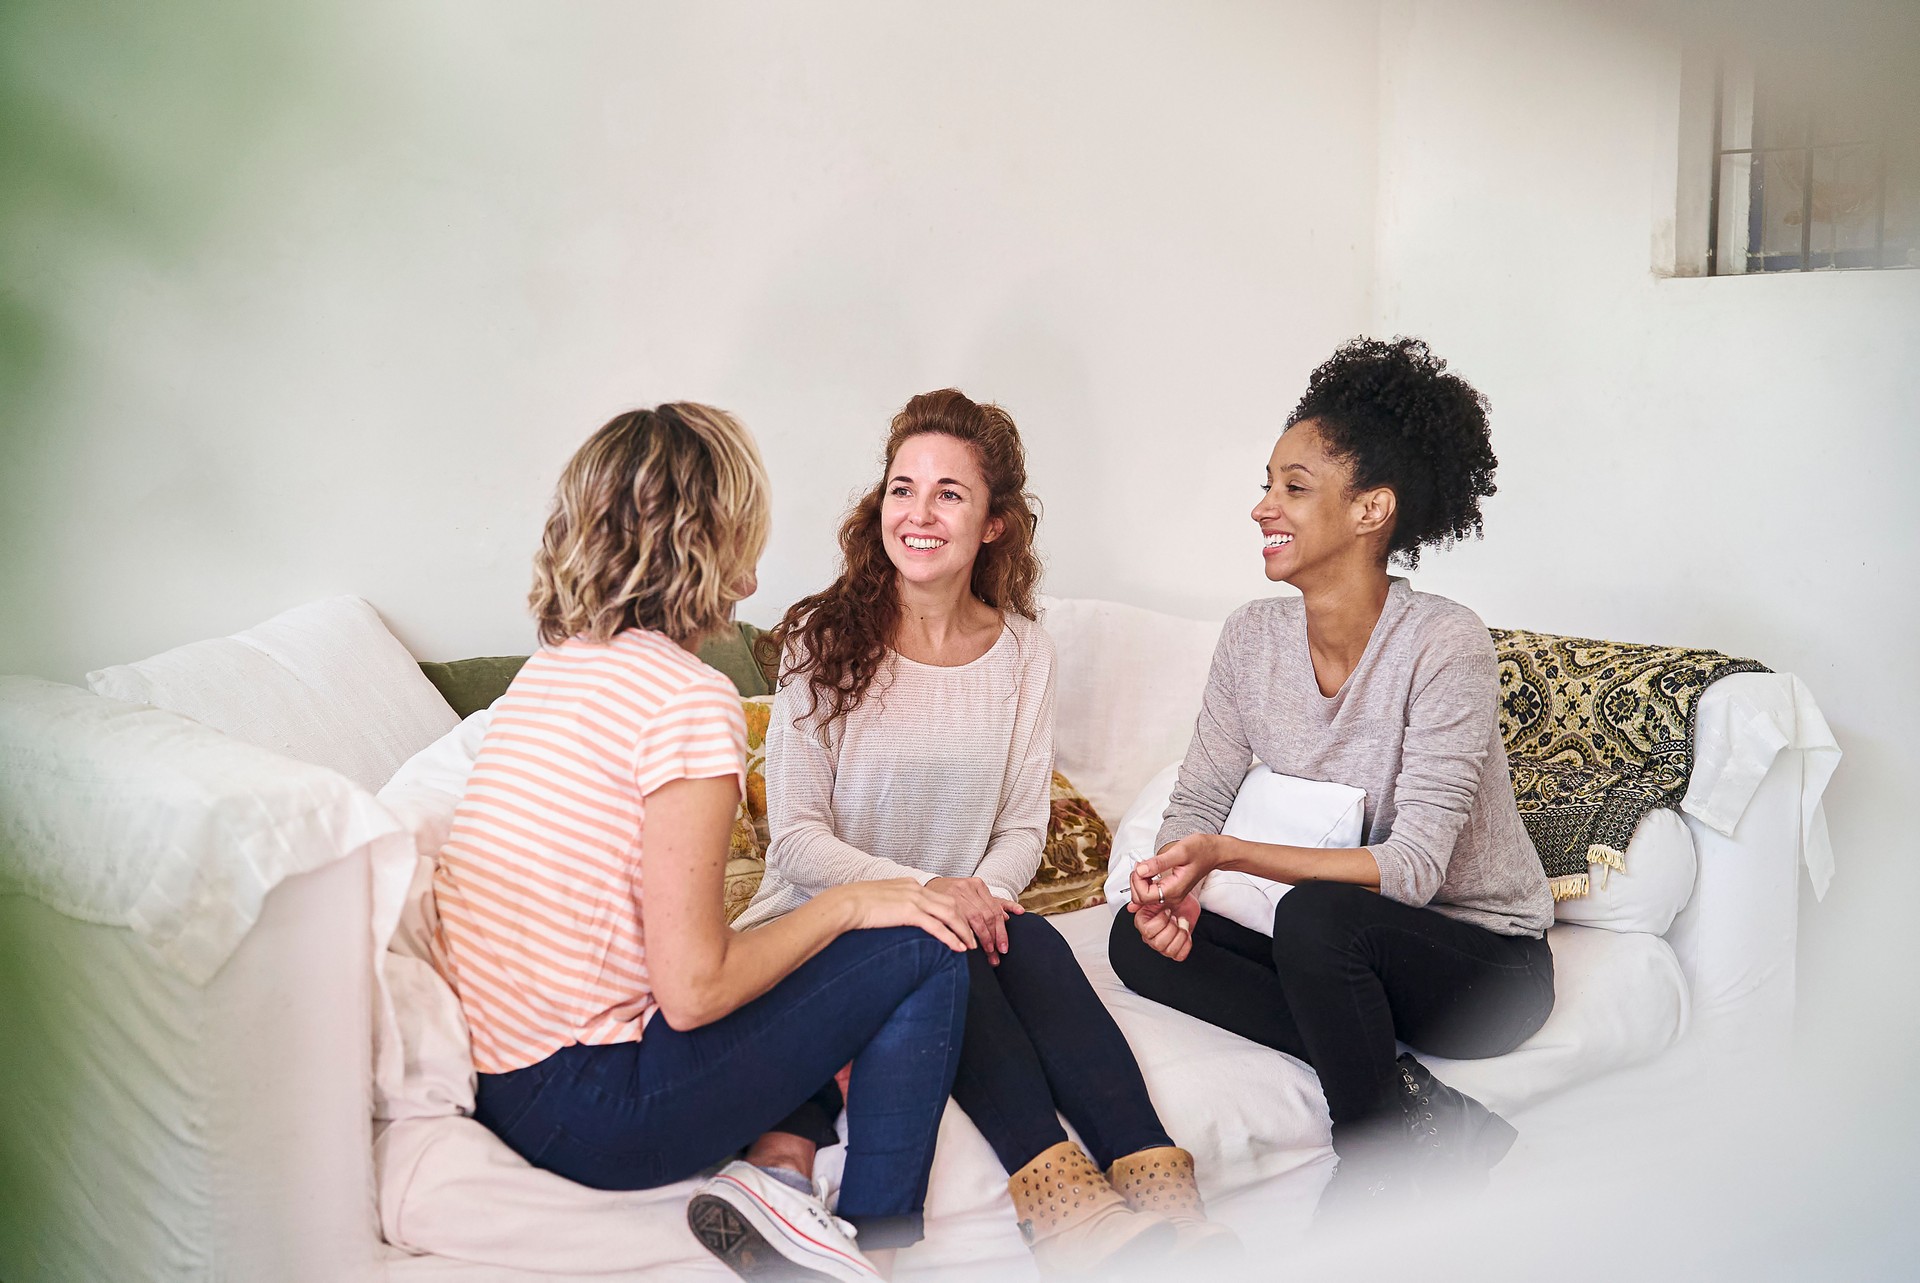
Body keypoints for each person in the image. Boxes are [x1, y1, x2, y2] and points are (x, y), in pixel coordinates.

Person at [431, 404, 978, 1283]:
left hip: (509, 1089)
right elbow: (693, 992)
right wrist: (851, 903)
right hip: (599, 1110)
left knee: (810, 957)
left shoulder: (555, 669)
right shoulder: (686, 697)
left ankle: (777, 1175)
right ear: (718, 533)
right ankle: (877, 1241)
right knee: (924, 940)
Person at [734, 389, 1236, 1275]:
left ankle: (1164, 1202)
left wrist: (982, 898)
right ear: (877, 504)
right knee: (959, 945)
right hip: (828, 922)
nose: (918, 513)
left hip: (966, 926)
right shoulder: (821, 637)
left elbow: (1020, 825)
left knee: (1029, 941)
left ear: (996, 522)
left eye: (949, 493)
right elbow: (798, 841)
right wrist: (934, 893)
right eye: (901, 488)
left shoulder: (1023, 652)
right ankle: (1068, 1211)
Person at [1107, 338, 1556, 1218]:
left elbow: (1415, 869)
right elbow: (1195, 799)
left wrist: (1229, 854)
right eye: (1267, 482)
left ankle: (1378, 1169)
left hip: (1481, 965)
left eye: (1293, 487)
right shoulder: (1251, 638)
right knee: (1135, 937)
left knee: (1319, 917)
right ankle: (1428, 1109)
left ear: (1371, 509)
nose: (1261, 506)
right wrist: (1173, 884)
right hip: (1342, 958)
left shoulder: (1444, 644)